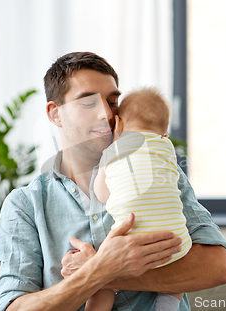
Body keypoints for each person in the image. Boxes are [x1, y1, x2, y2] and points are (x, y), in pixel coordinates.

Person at [0, 52, 226, 311]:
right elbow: (15, 308)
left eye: (112, 102)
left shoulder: (156, 168)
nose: (105, 114)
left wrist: (108, 274)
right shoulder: (24, 205)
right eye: (88, 102)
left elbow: (217, 268)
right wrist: (100, 270)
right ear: (55, 114)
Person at [88, 87, 190, 311]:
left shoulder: (113, 151)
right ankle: (167, 305)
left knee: (103, 282)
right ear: (165, 134)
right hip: (174, 241)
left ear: (120, 125)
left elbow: (102, 193)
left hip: (130, 240)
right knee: (176, 280)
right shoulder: (167, 148)